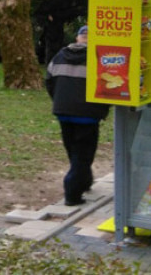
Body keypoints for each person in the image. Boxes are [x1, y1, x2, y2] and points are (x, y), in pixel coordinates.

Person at [45, 25, 109, 206]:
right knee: (83, 154)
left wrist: (59, 101)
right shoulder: (100, 58)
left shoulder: (59, 56)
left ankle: (84, 181)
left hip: (63, 112)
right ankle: (72, 194)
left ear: (77, 38)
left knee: (73, 150)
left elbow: (49, 81)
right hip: (88, 114)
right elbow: (109, 85)